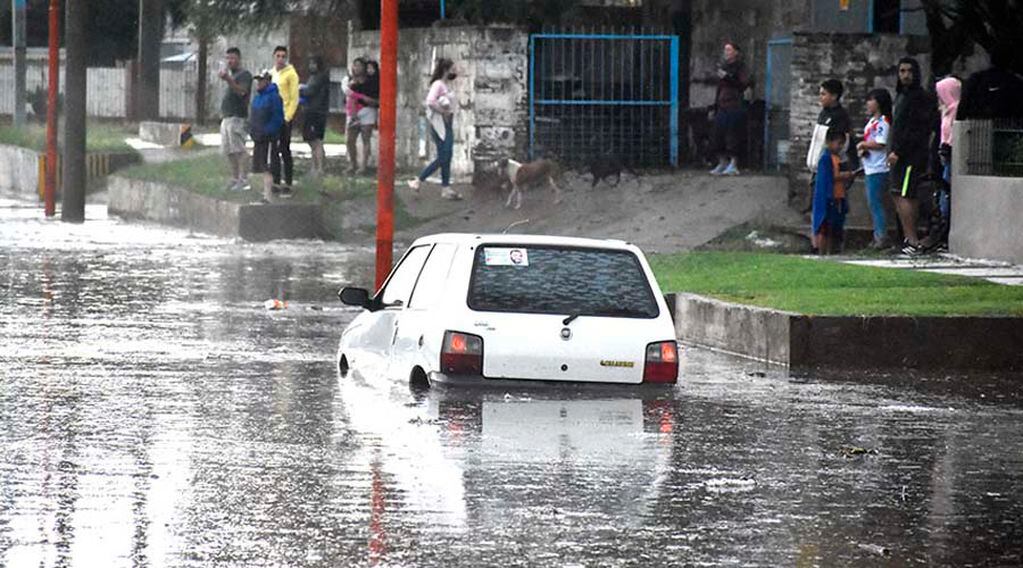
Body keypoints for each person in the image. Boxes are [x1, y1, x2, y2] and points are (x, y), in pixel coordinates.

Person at [887, 57, 938, 255]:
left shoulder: (919, 97)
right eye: (902, 71)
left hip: (910, 157)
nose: (906, 75)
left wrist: (898, 151)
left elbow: (915, 130)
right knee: (897, 193)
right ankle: (908, 238)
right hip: (898, 155)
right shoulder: (901, 96)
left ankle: (913, 240)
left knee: (907, 194)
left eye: (909, 71)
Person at [407, 58, 462, 200]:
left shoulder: (444, 84)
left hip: (446, 123)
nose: (455, 71)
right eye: (452, 68)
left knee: (446, 156)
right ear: (446, 70)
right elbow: (430, 101)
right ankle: (419, 180)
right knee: (444, 156)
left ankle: (445, 188)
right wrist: (443, 111)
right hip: (440, 124)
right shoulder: (438, 84)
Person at [856, 88, 893, 249]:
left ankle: (881, 237)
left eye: (871, 100)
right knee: (873, 203)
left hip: (879, 167)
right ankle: (878, 234)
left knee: (876, 203)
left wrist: (864, 144)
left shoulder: (883, 122)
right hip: (869, 166)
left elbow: (880, 143)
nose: (868, 103)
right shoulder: (871, 122)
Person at [708, 42, 750, 176]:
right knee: (717, 135)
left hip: (735, 105)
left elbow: (742, 85)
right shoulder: (723, 67)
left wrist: (728, 77)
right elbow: (719, 88)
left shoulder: (741, 67)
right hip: (722, 105)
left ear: (736, 52)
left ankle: (733, 164)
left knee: (733, 135)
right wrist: (715, 105)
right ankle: (722, 162)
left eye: (729, 50)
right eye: (725, 50)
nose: (726, 53)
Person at [812, 128, 855, 255]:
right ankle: (822, 252)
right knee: (824, 228)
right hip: (828, 198)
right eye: (838, 143)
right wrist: (846, 175)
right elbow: (829, 177)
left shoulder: (838, 158)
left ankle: (831, 252)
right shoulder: (825, 159)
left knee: (834, 228)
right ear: (829, 142)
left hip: (838, 197)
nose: (840, 146)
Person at [217, 47, 252, 192]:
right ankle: (235, 178)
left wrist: (228, 79)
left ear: (238, 58)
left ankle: (244, 180)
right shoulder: (232, 75)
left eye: (232, 58)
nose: (229, 61)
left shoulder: (244, 75)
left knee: (239, 150)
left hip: (237, 118)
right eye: (227, 58)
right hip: (227, 117)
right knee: (229, 151)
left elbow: (242, 92)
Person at [249, 70, 285, 203]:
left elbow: (278, 118)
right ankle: (265, 194)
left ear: (268, 81)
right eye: (257, 81)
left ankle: (269, 196)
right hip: (258, 137)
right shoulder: (258, 97)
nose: (258, 83)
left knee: (268, 168)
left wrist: (267, 131)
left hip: (268, 138)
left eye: (261, 81)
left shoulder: (274, 97)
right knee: (260, 167)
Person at [270, 45, 299, 196]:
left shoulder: (291, 74)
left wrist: (288, 117)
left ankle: (288, 182)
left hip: (285, 116)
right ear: (274, 57)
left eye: (283, 56)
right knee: (273, 150)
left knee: (284, 149)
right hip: (273, 118)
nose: (280, 59)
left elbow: (294, 98)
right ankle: (275, 181)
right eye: (278, 56)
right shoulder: (272, 73)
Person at [342, 58, 379, 175]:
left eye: (359, 65)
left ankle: (363, 166)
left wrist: (367, 100)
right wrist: (361, 97)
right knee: (349, 140)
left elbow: (375, 99)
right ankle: (352, 164)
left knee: (365, 138)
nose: (356, 68)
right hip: (352, 111)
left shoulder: (371, 81)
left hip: (367, 110)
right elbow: (347, 92)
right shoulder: (349, 80)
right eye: (354, 65)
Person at [300, 55, 330, 180]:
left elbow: (310, 91)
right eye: (310, 63)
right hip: (310, 111)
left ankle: (320, 168)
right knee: (311, 140)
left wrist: (301, 88)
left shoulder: (320, 77)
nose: (311, 66)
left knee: (316, 141)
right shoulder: (313, 77)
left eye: (314, 64)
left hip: (316, 112)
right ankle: (314, 167)